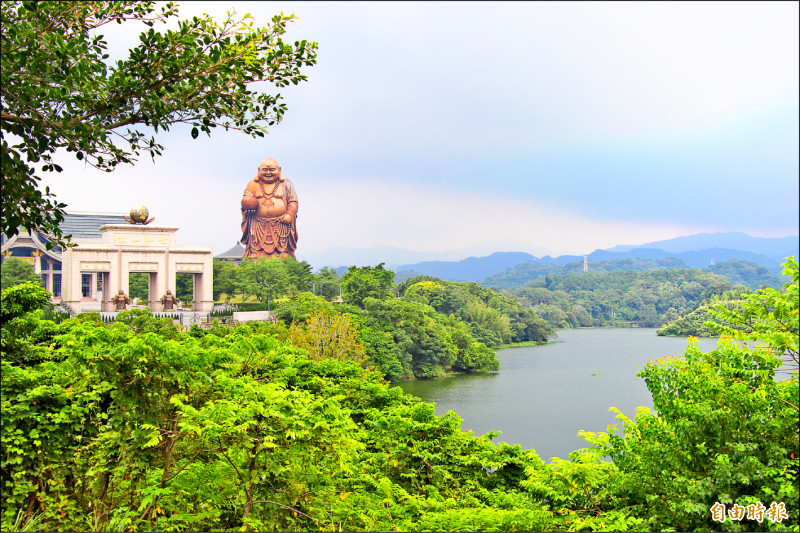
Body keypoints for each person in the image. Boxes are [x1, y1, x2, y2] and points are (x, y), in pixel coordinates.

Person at [240, 158, 299, 258]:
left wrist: (289, 214)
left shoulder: (286, 184)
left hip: (280, 224)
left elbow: (293, 201)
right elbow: (246, 199)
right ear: (259, 170)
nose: (268, 173)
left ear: (279, 170)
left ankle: (283, 254)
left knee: (283, 253)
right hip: (258, 225)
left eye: (272, 170)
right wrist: (247, 206)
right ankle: (255, 254)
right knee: (256, 253)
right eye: (265, 170)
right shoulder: (253, 184)